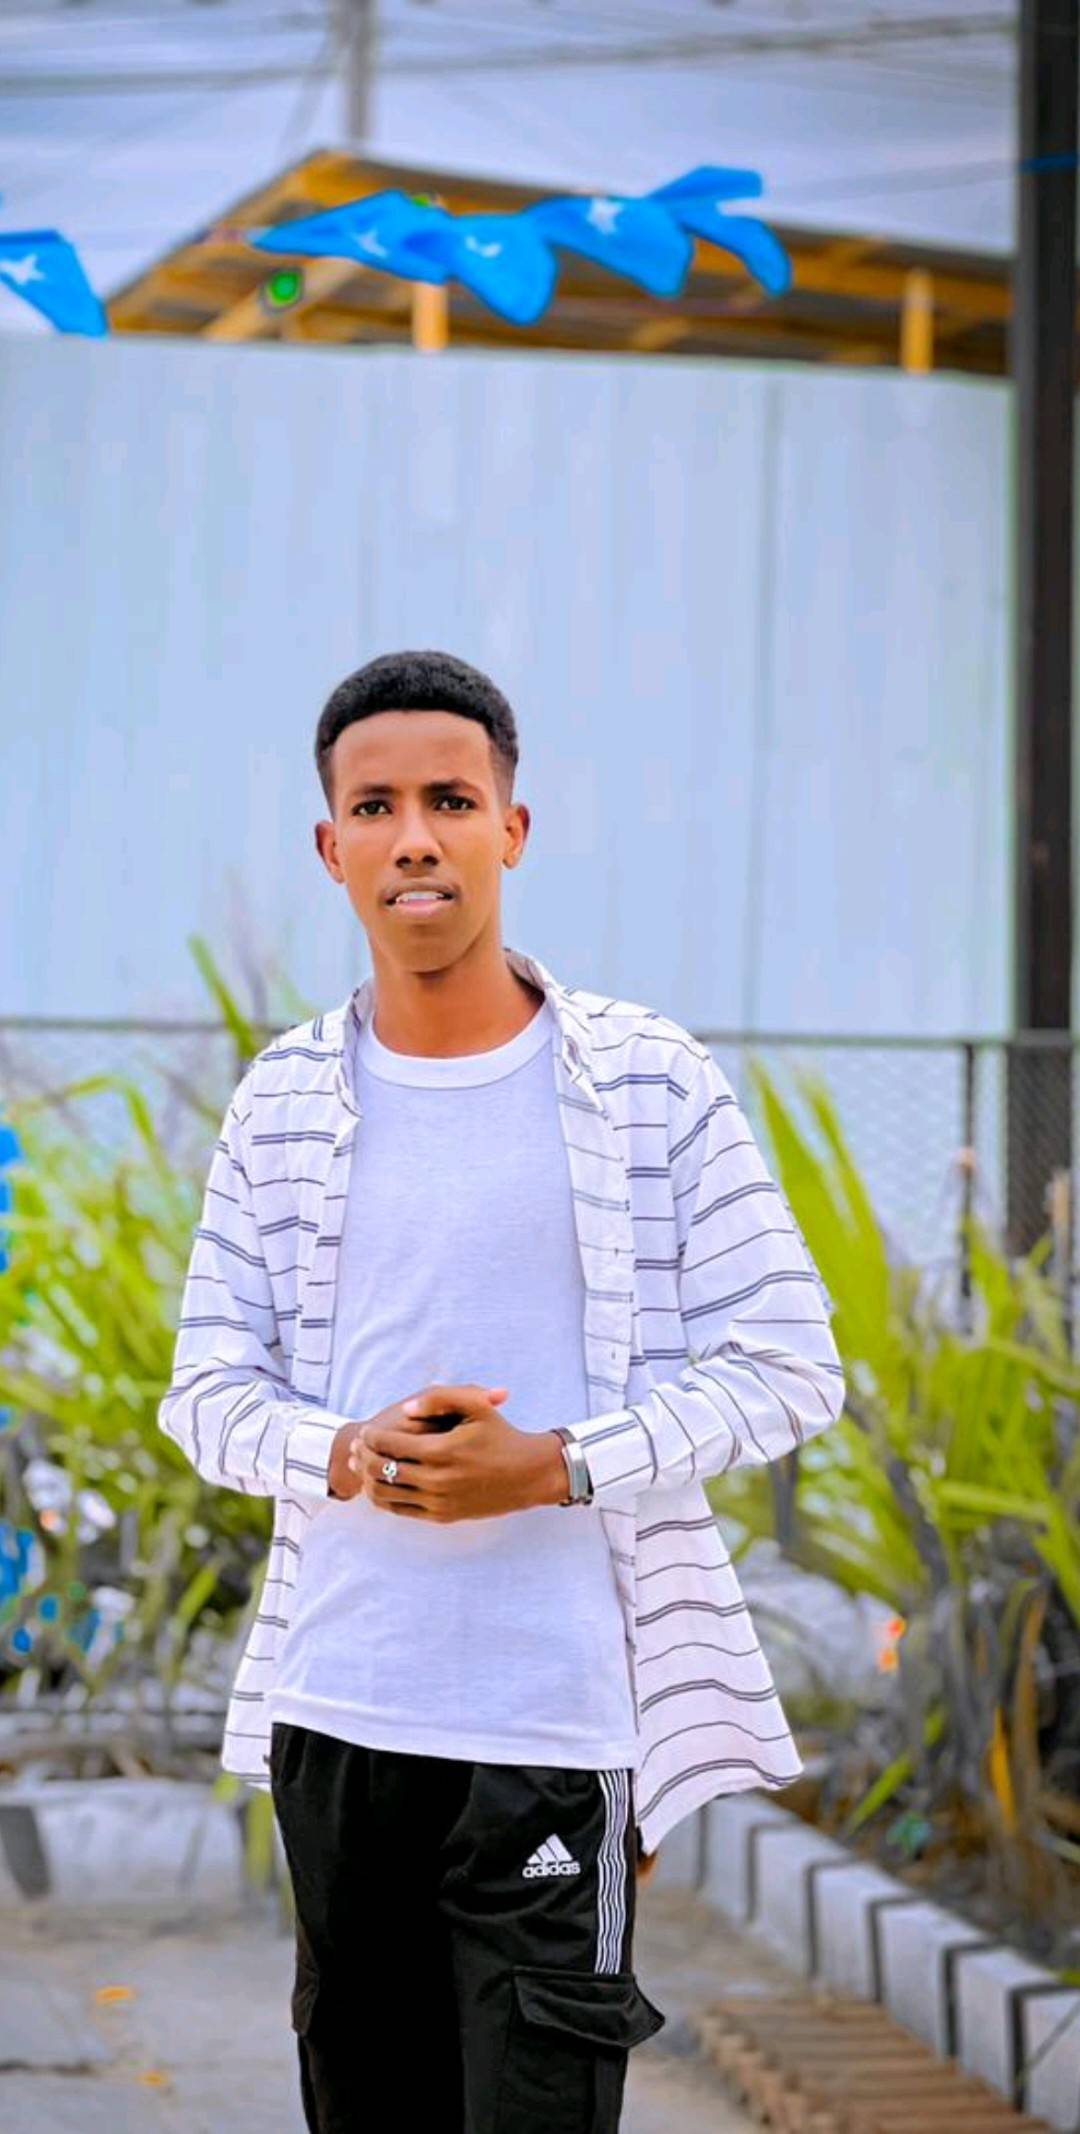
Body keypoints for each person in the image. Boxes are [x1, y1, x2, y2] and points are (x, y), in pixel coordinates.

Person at [159, 649, 845, 2133]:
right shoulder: (283, 1098)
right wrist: (343, 1449)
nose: (415, 836)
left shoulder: (649, 1081)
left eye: (451, 800)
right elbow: (204, 1388)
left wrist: (558, 1464)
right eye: (377, 806)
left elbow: (792, 1361)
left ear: (511, 829)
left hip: (556, 1728)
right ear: (331, 846)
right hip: (337, 1717)